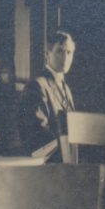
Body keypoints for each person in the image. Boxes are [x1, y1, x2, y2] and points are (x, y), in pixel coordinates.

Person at [19, 29, 76, 160]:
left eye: (69, 52)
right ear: (47, 54)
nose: (65, 57)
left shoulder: (65, 88)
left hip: (68, 158)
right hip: (49, 160)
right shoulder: (37, 85)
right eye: (60, 51)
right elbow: (37, 132)